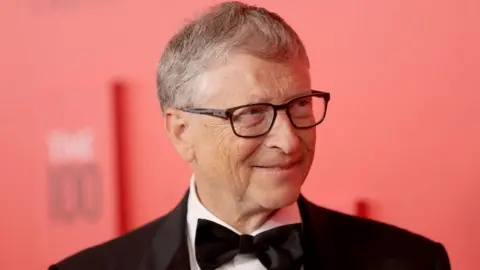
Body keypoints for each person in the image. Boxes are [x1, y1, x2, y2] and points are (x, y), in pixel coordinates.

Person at [49, 1, 451, 270]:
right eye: (253, 114)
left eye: (300, 106)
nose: (290, 142)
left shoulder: (412, 262)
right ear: (181, 131)